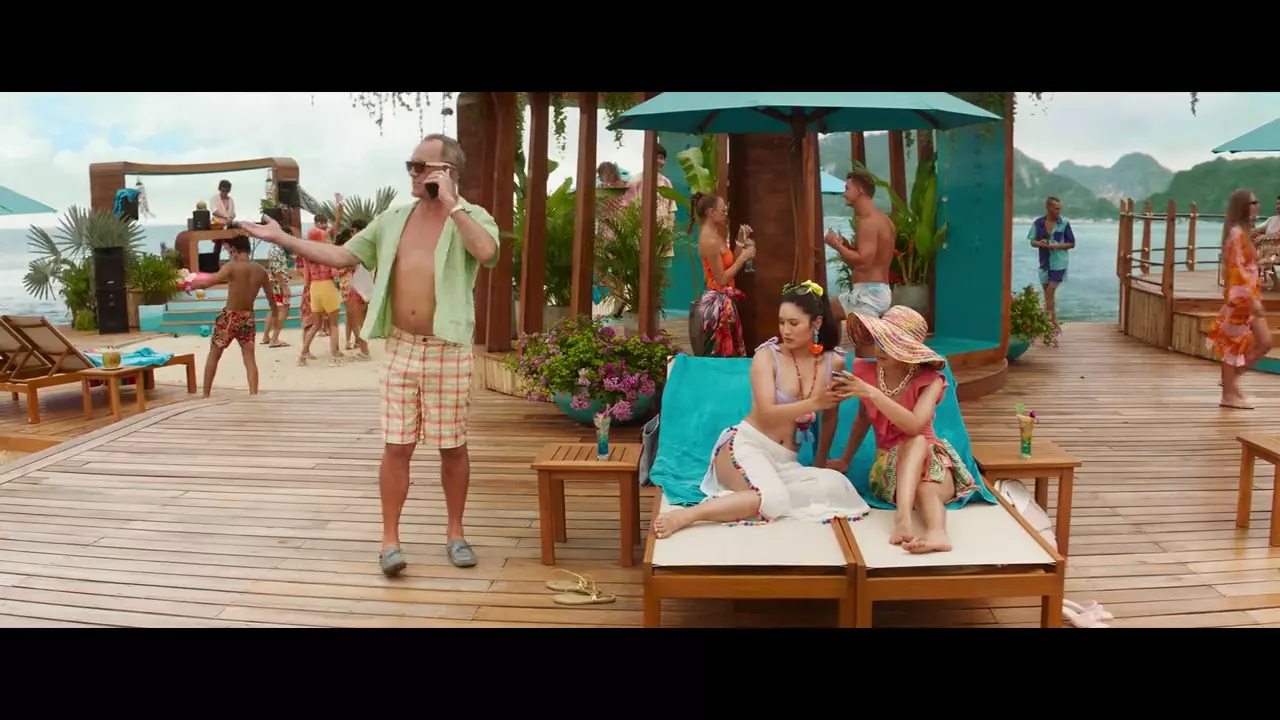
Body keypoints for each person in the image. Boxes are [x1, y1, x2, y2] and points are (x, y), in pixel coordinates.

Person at [239, 133, 500, 573]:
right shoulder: (394, 219)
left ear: (448, 172)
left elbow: (488, 253)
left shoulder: (471, 217)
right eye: (410, 165)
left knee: (452, 446)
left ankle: (456, 533)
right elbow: (342, 255)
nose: (413, 173)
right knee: (396, 446)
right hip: (401, 347)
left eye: (422, 166)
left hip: (447, 349)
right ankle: (389, 540)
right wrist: (284, 239)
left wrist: (453, 204)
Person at [651, 280, 871, 538]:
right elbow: (766, 412)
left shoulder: (834, 362)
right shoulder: (767, 356)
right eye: (782, 322)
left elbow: (830, 417)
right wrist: (815, 403)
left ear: (817, 323)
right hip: (748, 446)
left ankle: (753, 499)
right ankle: (689, 515)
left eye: (794, 323)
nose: (785, 330)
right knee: (774, 498)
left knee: (837, 486)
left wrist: (820, 464)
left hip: (785, 462)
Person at [825, 305, 980, 554]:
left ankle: (936, 533)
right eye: (880, 341)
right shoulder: (866, 373)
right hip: (889, 466)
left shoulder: (932, 381)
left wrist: (873, 394)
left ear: (908, 350)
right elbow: (863, 420)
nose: (880, 349)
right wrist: (845, 459)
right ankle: (904, 517)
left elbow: (915, 425)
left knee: (925, 483)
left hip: (931, 460)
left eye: (890, 344)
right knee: (916, 445)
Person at [184, 236, 276, 398]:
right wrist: (275, 312)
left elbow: (211, 281)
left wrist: (190, 285)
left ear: (234, 250)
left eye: (228, 251)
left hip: (230, 316)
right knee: (249, 358)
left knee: (214, 354)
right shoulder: (260, 270)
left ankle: (205, 394)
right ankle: (253, 394)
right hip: (248, 317)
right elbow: (271, 298)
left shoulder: (232, 266)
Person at [1208, 189, 1272, 409]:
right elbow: (1236, 270)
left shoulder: (1244, 232)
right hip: (1241, 300)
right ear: (1243, 206)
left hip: (1250, 298)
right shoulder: (1236, 233)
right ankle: (1228, 393)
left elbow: (1244, 265)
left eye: (1257, 201)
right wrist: (1251, 301)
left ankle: (1230, 382)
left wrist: (1259, 264)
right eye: (1253, 202)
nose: (1257, 205)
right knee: (1233, 346)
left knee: (1264, 342)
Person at [826, 167, 895, 356]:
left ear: (859, 191)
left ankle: (866, 371)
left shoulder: (868, 222)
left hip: (867, 296)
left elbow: (864, 262)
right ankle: (832, 358)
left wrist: (835, 245)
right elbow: (870, 257)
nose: (844, 194)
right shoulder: (883, 219)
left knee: (865, 356)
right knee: (829, 310)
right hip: (872, 290)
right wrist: (846, 246)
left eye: (847, 189)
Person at [689, 191, 753, 357]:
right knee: (720, 355)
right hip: (716, 306)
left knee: (729, 355)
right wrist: (744, 258)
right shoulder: (709, 241)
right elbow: (721, 279)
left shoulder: (716, 235)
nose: (725, 214)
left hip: (725, 301)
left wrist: (740, 241)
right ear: (711, 212)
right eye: (723, 210)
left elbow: (730, 263)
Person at [1027, 196, 1075, 324]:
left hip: (1059, 263)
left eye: (1060, 208)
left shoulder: (1064, 223)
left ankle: (1047, 323)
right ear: (1048, 208)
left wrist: (1057, 246)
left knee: (1050, 291)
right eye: (1056, 209)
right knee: (1048, 294)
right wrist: (1040, 243)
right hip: (1044, 262)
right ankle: (1052, 323)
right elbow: (1032, 241)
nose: (1059, 211)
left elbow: (1072, 243)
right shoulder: (1038, 223)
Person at [335, 221, 373, 360]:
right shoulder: (363, 248)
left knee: (357, 318)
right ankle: (362, 347)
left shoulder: (351, 250)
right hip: (357, 286)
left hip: (352, 286)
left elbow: (348, 267)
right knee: (358, 318)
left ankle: (364, 350)